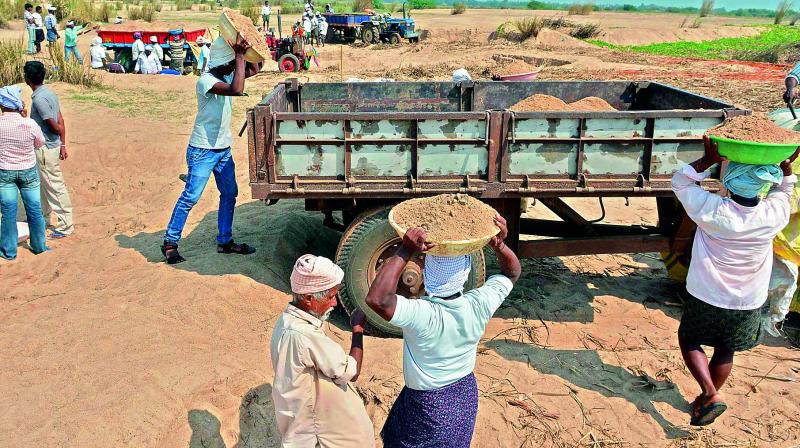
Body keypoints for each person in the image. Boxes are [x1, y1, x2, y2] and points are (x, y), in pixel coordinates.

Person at [672, 136, 798, 426]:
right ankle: (704, 401)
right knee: (726, 348)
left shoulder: (712, 210)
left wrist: (706, 162)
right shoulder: (772, 215)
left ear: (727, 181)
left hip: (706, 293)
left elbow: (680, 181)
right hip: (748, 299)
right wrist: (786, 170)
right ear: (761, 186)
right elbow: (784, 190)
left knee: (689, 339)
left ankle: (710, 393)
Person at [366, 216, 521, 447]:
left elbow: (377, 299)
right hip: (463, 395)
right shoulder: (477, 304)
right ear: (467, 272)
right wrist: (499, 245)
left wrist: (404, 250)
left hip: (427, 406)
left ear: (425, 276)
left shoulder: (423, 314)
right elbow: (511, 274)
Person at [161, 35, 261, 264]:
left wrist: (250, 51)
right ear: (221, 62)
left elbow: (255, 70)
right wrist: (238, 56)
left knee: (229, 194)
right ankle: (169, 242)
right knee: (191, 197)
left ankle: (225, 241)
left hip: (222, 149)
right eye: (229, 61)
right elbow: (237, 90)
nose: (231, 66)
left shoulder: (225, 74)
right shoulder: (205, 81)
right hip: (203, 150)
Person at [270, 255, 375, 447]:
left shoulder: (286, 321)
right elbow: (351, 372)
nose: (334, 303)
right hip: (318, 433)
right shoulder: (304, 334)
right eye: (330, 296)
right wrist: (358, 330)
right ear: (309, 299)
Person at [25, 61, 75, 239]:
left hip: (45, 148)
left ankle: (65, 225)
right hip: (51, 147)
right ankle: (45, 218)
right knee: (44, 186)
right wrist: (62, 144)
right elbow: (61, 120)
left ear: (27, 79)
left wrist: (28, 122)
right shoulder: (49, 93)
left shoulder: (39, 99)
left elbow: (55, 126)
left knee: (54, 186)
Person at [0, 86, 48, 260]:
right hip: (28, 170)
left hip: (5, 172)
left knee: (8, 213)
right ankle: (39, 246)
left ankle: (9, 251)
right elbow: (39, 143)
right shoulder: (29, 123)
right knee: (34, 210)